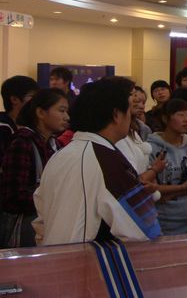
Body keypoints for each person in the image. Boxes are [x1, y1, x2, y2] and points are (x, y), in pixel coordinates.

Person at [33, 77, 161, 245]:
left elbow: (41, 219)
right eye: (129, 110)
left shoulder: (60, 155)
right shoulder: (107, 160)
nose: (131, 117)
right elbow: (145, 229)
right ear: (116, 114)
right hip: (85, 258)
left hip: (54, 254)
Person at [0, 89, 69, 247]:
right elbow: (12, 197)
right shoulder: (22, 143)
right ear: (40, 113)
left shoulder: (55, 144)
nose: (67, 117)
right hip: (26, 229)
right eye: (61, 110)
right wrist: (53, 200)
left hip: (49, 225)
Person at [147, 99, 187, 235]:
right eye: (181, 115)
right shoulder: (151, 148)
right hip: (161, 222)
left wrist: (172, 193)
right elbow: (152, 190)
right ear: (165, 119)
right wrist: (184, 188)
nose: (186, 120)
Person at [0, 76, 39, 165]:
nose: (37, 101)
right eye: (32, 96)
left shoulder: (31, 126)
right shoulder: (3, 129)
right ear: (14, 99)